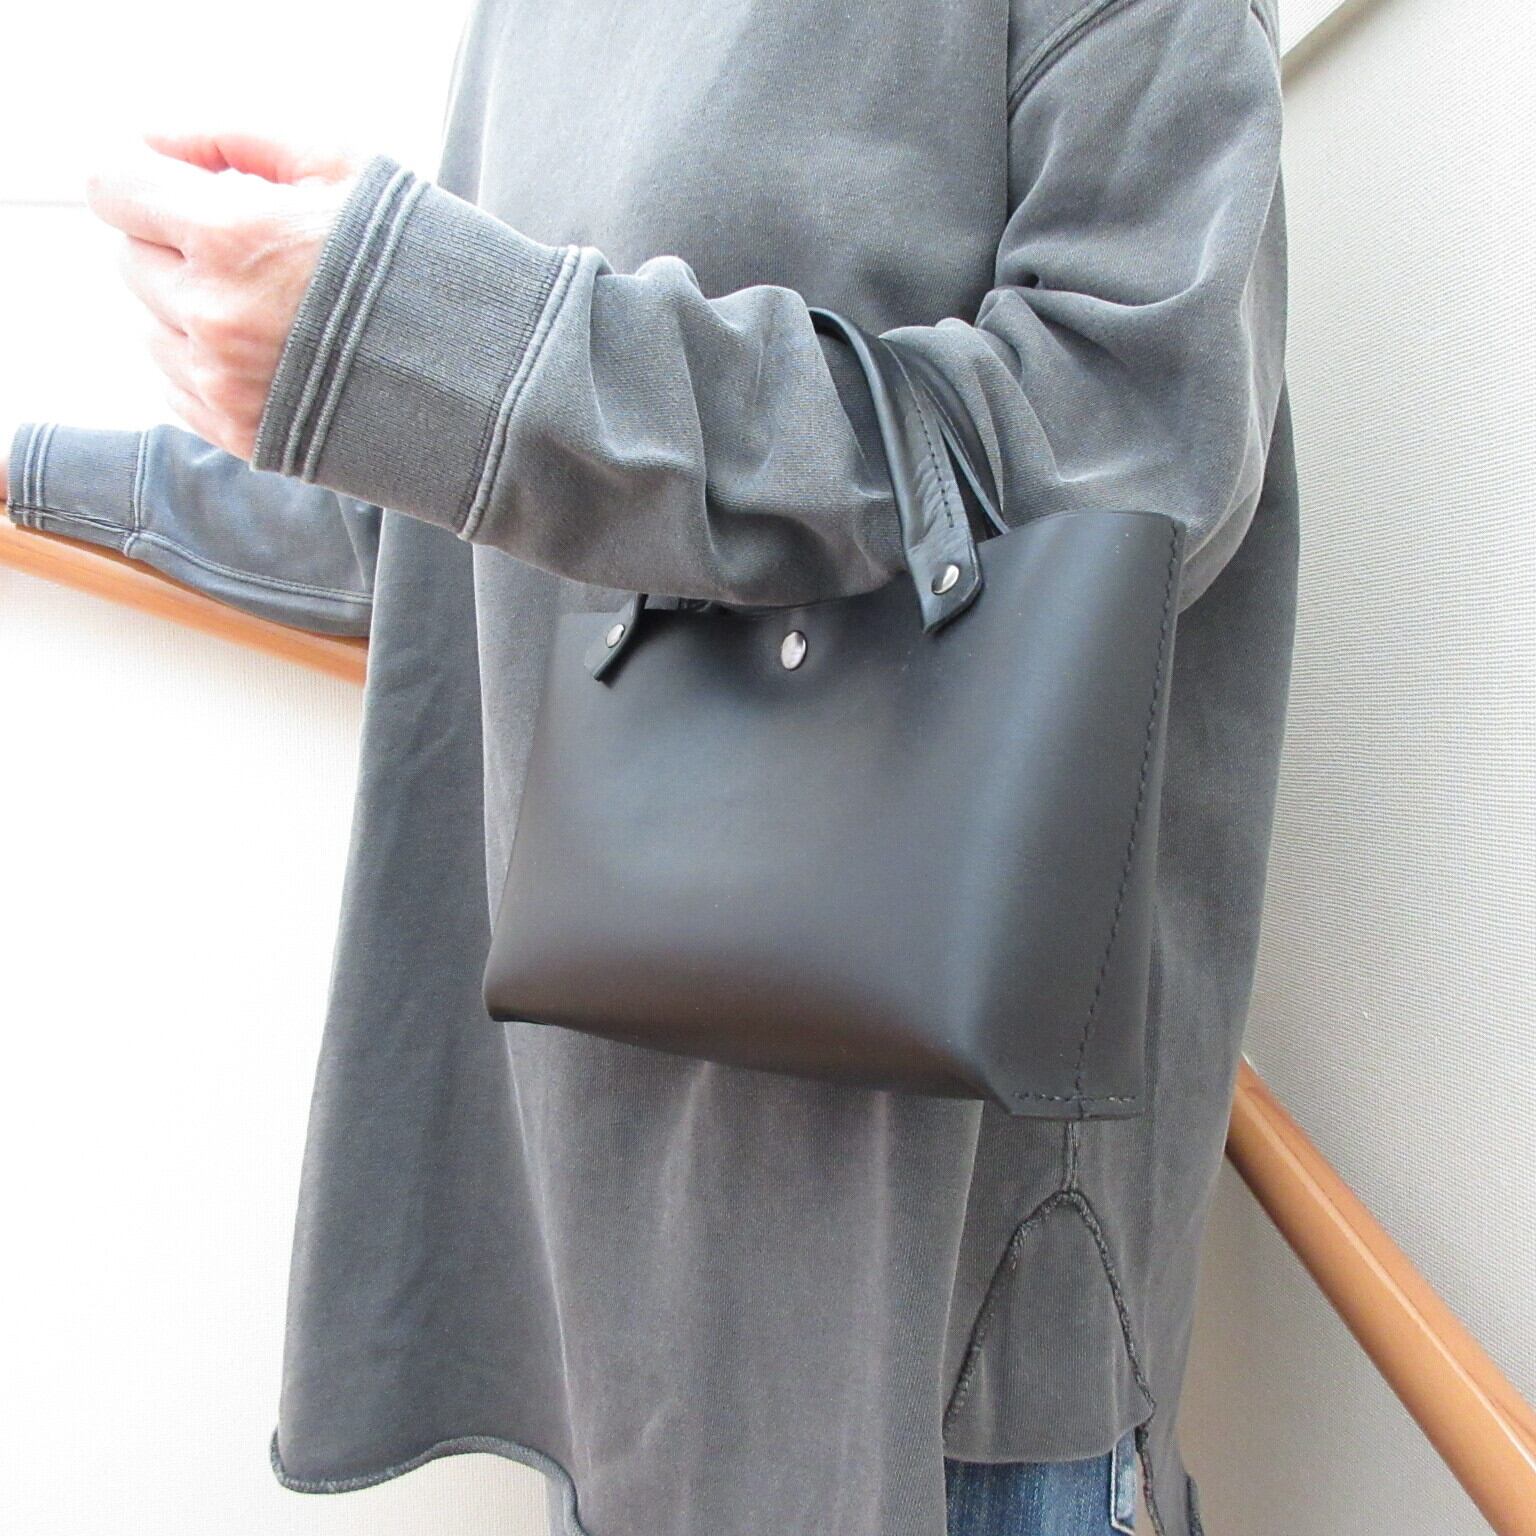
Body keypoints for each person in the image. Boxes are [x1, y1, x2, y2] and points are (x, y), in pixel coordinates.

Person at [2, 0, 1298, 1532]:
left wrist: (423, 329)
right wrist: (69, 459)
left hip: (921, 1290)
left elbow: (1128, 432)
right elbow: (454, 514)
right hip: (603, 1240)